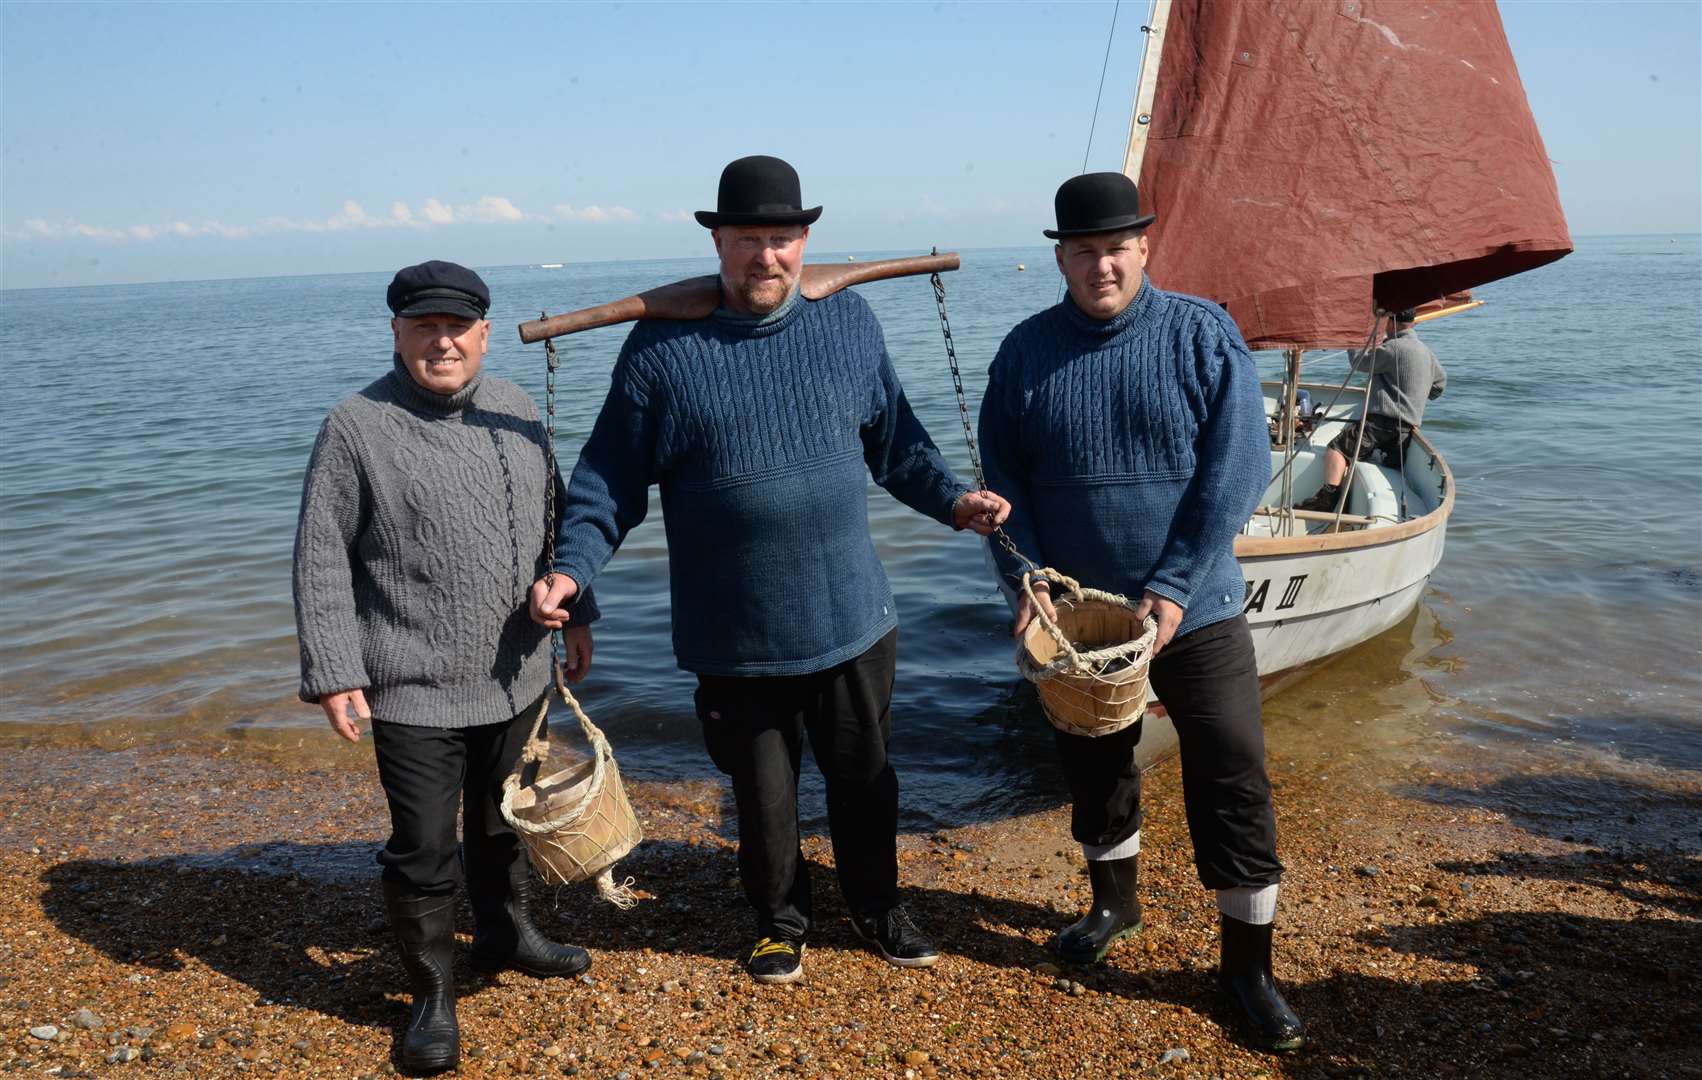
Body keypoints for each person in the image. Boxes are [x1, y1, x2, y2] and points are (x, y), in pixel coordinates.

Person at [529, 155, 1010, 985]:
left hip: (852, 615)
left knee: (866, 779)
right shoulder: (660, 352)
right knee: (763, 796)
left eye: (781, 238)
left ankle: (877, 906)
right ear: (718, 242)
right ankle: (778, 920)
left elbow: (898, 447)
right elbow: (607, 483)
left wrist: (954, 505)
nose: (766, 256)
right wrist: (572, 574)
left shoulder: (849, 324)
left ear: (805, 240)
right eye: (747, 238)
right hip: (734, 631)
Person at [978, 172, 1304, 1051]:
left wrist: (1170, 585)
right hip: (1080, 625)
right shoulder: (1022, 352)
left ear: (1145, 247)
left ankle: (1247, 966)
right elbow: (1003, 480)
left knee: (1232, 766)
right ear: (1060, 257)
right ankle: (1113, 905)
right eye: (1082, 250)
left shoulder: (1204, 333)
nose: (1100, 265)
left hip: (1196, 609)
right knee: (1094, 766)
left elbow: (1236, 471)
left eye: (1115, 247)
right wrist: (1030, 586)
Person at [293, 261, 599, 1074]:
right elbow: (322, 557)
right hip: (411, 683)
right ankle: (431, 995)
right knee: (424, 848)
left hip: (518, 672)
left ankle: (508, 935)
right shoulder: (354, 426)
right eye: (424, 326)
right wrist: (333, 668)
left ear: (485, 333)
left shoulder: (517, 407)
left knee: (505, 823)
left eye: (457, 327)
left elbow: (554, 518)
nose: (443, 341)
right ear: (396, 332)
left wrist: (581, 613)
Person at [1295, 308, 1445, 511]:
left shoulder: (1394, 347)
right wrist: (1415, 390)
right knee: (1378, 462)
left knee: (1337, 449)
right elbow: (1439, 387)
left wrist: (1352, 341)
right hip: (1405, 431)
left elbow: (1360, 362)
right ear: (1413, 322)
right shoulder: (1427, 353)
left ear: (1390, 323)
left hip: (1380, 424)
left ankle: (1327, 499)